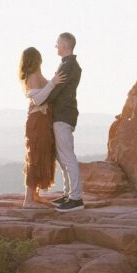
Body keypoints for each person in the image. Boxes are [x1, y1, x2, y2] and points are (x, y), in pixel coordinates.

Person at [18, 47, 66, 208]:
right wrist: (52, 83)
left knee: (43, 154)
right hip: (37, 121)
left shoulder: (37, 75)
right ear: (37, 59)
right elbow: (38, 100)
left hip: (43, 120)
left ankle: (35, 194)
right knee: (35, 156)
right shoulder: (32, 76)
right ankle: (28, 199)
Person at [46, 32, 84, 212]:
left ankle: (76, 199)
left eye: (58, 44)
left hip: (63, 115)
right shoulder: (68, 65)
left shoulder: (68, 66)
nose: (56, 46)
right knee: (62, 157)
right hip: (63, 114)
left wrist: (40, 99)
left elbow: (56, 90)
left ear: (66, 46)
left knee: (67, 156)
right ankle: (69, 193)